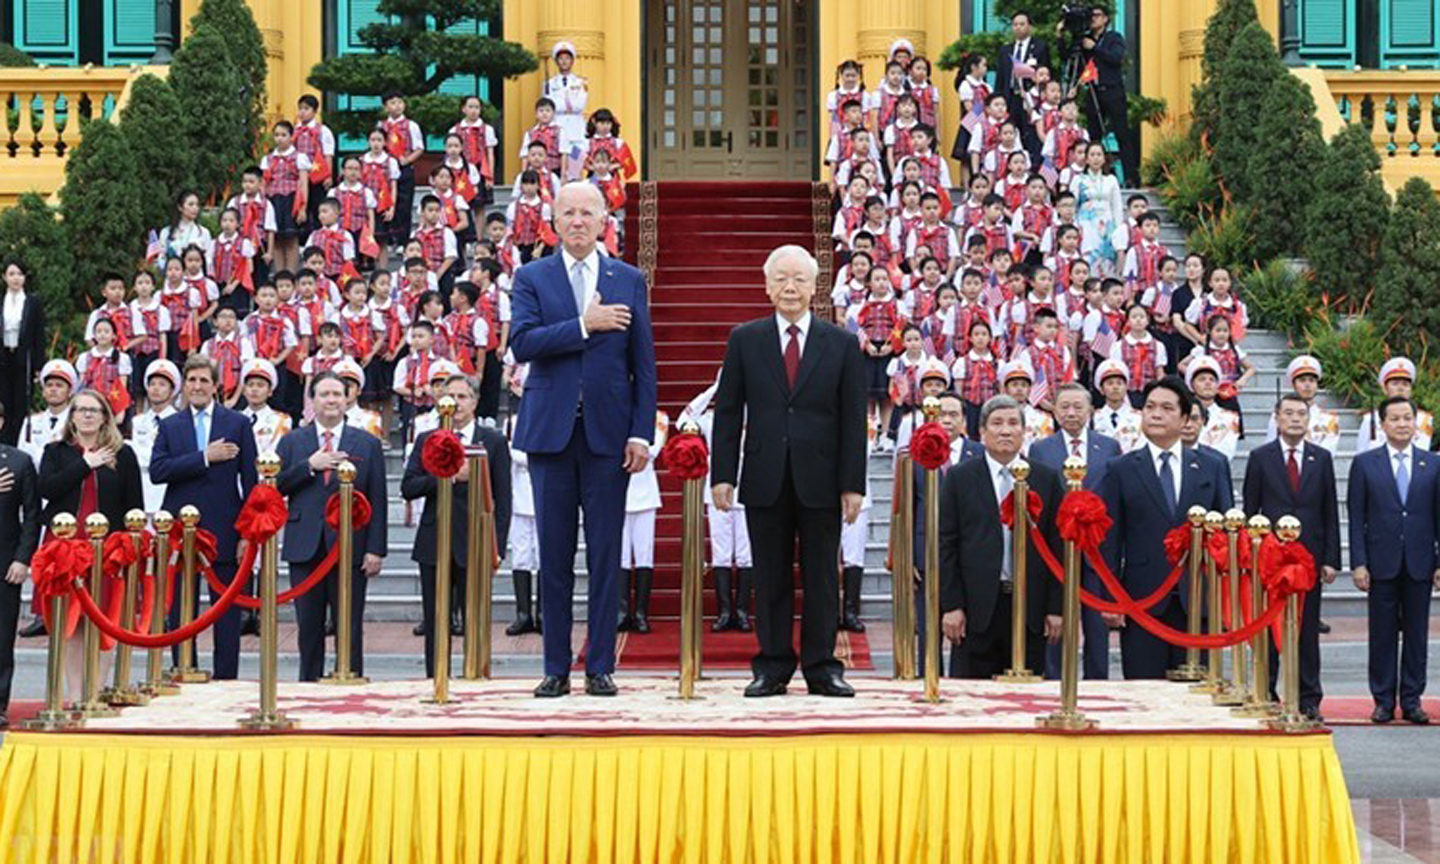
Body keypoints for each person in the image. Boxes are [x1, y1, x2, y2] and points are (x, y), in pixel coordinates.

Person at [509, 182, 657, 698]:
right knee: (553, 557)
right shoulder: (532, 277)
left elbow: (643, 362)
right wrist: (583, 325)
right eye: (568, 212)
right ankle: (554, 666)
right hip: (551, 434)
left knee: (604, 555)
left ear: (603, 220)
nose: (577, 221)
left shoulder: (628, 278)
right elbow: (523, 343)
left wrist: (641, 432)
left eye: (586, 213)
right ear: (554, 219)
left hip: (608, 437)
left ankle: (599, 665)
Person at [711, 244, 867, 699]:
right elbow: (728, 412)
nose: (790, 287)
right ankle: (772, 666)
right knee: (771, 576)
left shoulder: (841, 343)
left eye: (799, 278)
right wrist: (724, 474)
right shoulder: (746, 339)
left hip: (822, 477)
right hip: (765, 475)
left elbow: (853, 417)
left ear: (815, 285)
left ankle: (822, 667)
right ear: (767, 286)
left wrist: (852, 483)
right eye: (781, 278)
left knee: (821, 577)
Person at [1098, 377, 1232, 679]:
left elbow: (1224, 538)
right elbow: (1110, 540)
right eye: (1150, 407)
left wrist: (1225, 598)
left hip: (1198, 598)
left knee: (1199, 695)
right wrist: (1111, 597)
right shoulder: (1120, 468)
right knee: (1144, 692)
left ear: (1185, 419)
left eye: (1167, 408)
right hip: (1141, 600)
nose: (1156, 414)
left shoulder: (1212, 465)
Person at [938, 395, 1063, 679]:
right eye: (996, 423)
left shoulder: (1046, 478)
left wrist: (1057, 607)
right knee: (971, 698)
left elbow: (1057, 547)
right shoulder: (960, 478)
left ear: (1024, 430)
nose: (1005, 430)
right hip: (976, 608)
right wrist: (951, 606)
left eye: (1012, 423)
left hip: (1030, 608)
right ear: (981, 432)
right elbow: (947, 545)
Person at [150, 355, 258, 680]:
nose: (197, 387)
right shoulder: (170, 425)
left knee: (226, 611)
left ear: (215, 386)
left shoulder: (237, 423)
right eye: (192, 380)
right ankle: (184, 671)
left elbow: (251, 482)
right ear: (185, 384)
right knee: (181, 608)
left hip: (225, 528)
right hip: (180, 532)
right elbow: (158, 471)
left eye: (204, 381)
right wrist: (203, 458)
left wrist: (247, 533)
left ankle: (227, 679)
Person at [275, 372, 387, 682]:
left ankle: (350, 683)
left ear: (347, 399)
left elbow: (378, 496)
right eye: (324, 394)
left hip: (351, 547)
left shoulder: (366, 442)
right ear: (312, 400)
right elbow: (276, 488)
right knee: (308, 628)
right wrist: (309, 466)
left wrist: (376, 549)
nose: (331, 400)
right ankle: (308, 687)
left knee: (349, 626)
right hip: (305, 546)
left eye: (337, 394)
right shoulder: (292, 441)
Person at [401, 373, 511, 676]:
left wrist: (496, 547)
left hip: (475, 543)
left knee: (475, 618)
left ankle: (475, 676)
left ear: (475, 402)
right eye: (450, 397)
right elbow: (408, 487)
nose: (456, 404)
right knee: (436, 620)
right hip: (434, 543)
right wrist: (446, 477)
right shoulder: (427, 439)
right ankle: (436, 680)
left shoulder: (493, 441)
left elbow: (503, 500)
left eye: (463, 397)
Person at [40, 389, 144, 700]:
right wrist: (86, 464)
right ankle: (74, 695)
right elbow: (48, 488)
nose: (86, 415)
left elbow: (133, 506)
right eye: (81, 410)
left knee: (104, 620)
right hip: (65, 550)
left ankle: (96, 693)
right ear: (71, 417)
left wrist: (130, 548)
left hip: (107, 551)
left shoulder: (122, 454)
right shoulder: (56, 452)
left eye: (94, 410)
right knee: (71, 624)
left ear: (104, 417)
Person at [1243, 394, 1340, 722]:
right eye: (1289, 413)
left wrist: (1330, 559)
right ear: (1277, 418)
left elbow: (1329, 510)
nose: (1295, 419)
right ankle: (1267, 691)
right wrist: (1251, 556)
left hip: (1307, 562)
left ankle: (1308, 697)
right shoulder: (1260, 458)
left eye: (1301, 413)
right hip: (1270, 561)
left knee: (1306, 630)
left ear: (1308, 418)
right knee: (1268, 628)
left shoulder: (1321, 458)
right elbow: (1249, 511)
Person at [1348, 396, 1440, 725]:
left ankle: (1413, 700)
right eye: (1395, 419)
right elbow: (1356, 517)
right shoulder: (1365, 463)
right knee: (1382, 634)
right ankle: (1383, 700)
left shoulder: (1432, 463)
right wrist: (1359, 562)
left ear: (1416, 423)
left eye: (1408, 418)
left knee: (1417, 635)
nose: (1402, 424)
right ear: (1382, 424)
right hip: (1380, 562)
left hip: (1419, 562)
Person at [1029, 382, 1120, 680]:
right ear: (1054, 411)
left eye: (1078, 407)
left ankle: (1098, 682)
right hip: (1057, 548)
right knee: (1056, 621)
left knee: (1096, 625)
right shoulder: (1041, 449)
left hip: (1096, 550)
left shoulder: (1108, 446)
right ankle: (1054, 680)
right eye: (1064, 407)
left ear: (1091, 411)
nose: (1071, 413)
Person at [911, 392, 984, 675]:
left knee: (964, 630)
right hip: (926, 554)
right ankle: (927, 681)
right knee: (928, 632)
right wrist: (908, 556)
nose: (948, 420)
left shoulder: (978, 454)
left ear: (965, 420)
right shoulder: (914, 455)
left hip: (969, 556)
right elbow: (907, 508)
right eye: (942, 414)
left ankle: (961, 682)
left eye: (954, 415)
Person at [0, 400, 38, 729]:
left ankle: (0, 703)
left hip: (6, 562)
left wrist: (23, 558)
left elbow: (32, 516)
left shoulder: (19, 461)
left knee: (2, 636)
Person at [0, 262, 46, 447]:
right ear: (4, 277)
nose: (16, 278)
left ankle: (18, 444)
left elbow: (39, 335)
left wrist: (38, 365)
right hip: (3, 357)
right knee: (4, 403)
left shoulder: (32, 302)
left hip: (23, 358)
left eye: (20, 274)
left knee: (21, 403)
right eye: (11, 274)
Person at [996, 11, 1051, 161]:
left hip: (1030, 99)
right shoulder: (1005, 50)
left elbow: (1045, 74)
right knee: (1010, 132)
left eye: (1022, 24)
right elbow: (1001, 78)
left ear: (1029, 26)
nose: (1018, 28)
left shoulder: (1040, 47)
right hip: (1010, 98)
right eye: (1015, 25)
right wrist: (999, 99)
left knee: (1030, 134)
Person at [1355, 357, 1435, 455]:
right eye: (1395, 384)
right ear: (1385, 389)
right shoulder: (1370, 419)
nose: (1400, 388)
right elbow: (1361, 453)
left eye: (1405, 384)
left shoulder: (1424, 420)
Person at [1264, 355, 1341, 453]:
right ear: (1293, 385)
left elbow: (1327, 455)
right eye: (1302, 380)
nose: (1307, 385)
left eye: (1312, 380)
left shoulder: (1329, 420)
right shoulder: (1279, 416)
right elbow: (1270, 450)